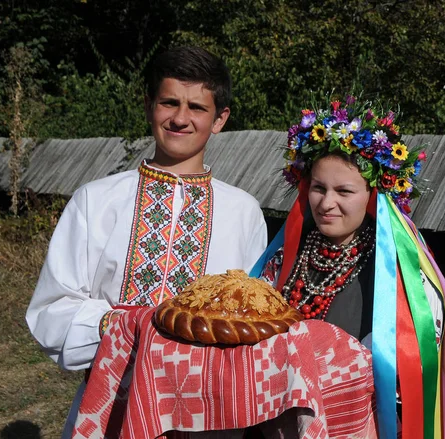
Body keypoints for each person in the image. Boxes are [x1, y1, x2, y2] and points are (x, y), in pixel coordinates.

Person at [26, 46, 267, 438]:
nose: (180, 118)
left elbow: (253, 315)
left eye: (197, 107)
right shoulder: (95, 200)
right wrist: (121, 326)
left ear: (220, 119)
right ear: (148, 106)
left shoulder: (244, 212)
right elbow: (52, 308)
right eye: (168, 102)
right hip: (109, 405)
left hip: (209, 416)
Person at [251, 96, 445, 439]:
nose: (326, 203)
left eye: (344, 191)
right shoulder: (284, 260)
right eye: (318, 188)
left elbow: (408, 377)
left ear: (373, 194)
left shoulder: (401, 277)